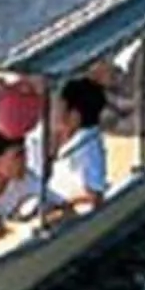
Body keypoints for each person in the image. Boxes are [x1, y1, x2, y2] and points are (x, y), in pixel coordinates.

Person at [45, 75, 112, 212]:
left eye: (60, 105)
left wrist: (57, 204)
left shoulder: (86, 147)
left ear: (74, 116)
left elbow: (94, 194)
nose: (54, 109)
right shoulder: (63, 137)